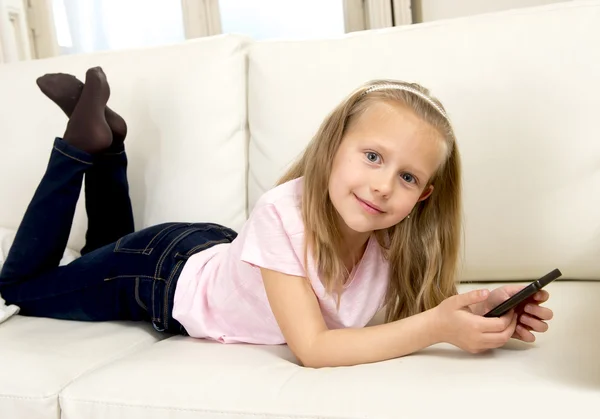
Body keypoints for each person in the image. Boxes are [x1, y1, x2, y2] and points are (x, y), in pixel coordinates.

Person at [0, 67, 553, 368]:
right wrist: (437, 329)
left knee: (104, 244)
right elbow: (313, 349)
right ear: (334, 146)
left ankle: (109, 142)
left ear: (424, 197)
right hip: (158, 272)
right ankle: (80, 146)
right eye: (373, 156)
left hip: (218, 249)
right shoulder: (284, 210)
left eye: (407, 177)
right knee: (22, 285)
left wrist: (482, 318)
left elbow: (427, 311)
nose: (384, 185)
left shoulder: (392, 237)